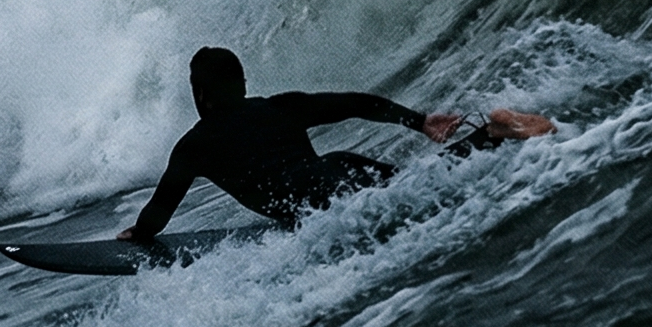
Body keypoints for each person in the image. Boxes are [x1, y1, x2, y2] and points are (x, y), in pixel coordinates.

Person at [116, 46, 554, 243]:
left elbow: (160, 210)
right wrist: (419, 121)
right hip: (340, 166)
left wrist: (140, 233)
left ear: (200, 95)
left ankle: (497, 133)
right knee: (429, 184)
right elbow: (355, 104)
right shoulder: (279, 106)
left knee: (423, 201)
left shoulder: (194, 145)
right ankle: (493, 134)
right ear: (243, 83)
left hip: (312, 201)